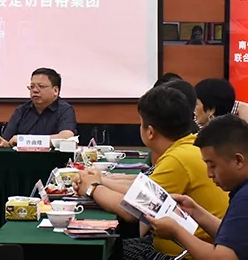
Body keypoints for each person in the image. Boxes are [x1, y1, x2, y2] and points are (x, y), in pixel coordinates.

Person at [73, 86, 229, 259]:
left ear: (150, 131)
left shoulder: (177, 159)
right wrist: (100, 181)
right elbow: (140, 191)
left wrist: (92, 188)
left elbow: (131, 210)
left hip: (186, 254)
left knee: (111, 252)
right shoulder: (188, 147)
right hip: (193, 245)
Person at [148, 115, 248, 260]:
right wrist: (194, 211)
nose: (209, 174)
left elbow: (221, 257)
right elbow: (234, 236)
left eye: (213, 165)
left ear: (238, 160)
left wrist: (176, 231)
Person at [0, 68, 76, 147]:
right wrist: (0, 141)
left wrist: (25, 141)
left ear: (55, 90)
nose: (35, 90)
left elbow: (67, 137)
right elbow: (8, 141)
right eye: (32, 86)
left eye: (41, 86)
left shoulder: (64, 110)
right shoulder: (21, 110)